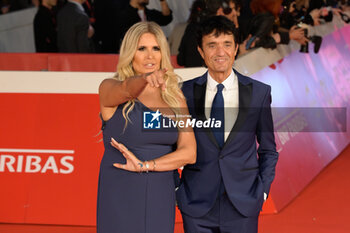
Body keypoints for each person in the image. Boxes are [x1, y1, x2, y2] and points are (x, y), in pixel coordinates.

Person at [176, 16, 279, 233]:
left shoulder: (259, 93)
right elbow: (168, 144)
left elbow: (269, 148)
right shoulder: (183, 93)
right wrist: (177, 188)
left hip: (243, 204)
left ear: (235, 50)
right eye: (212, 45)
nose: (220, 52)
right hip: (196, 203)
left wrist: (262, 190)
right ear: (201, 52)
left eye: (227, 44)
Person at [97, 21, 196, 233]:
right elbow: (126, 89)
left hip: (161, 189)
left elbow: (189, 152)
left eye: (156, 48)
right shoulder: (109, 88)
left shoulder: (175, 96)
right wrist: (144, 79)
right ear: (130, 53)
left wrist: (145, 165)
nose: (150, 56)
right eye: (142, 49)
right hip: (121, 190)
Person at [177, 0, 240, 67]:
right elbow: (233, 56)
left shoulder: (192, 27)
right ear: (220, 11)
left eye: (227, 45)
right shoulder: (219, 30)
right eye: (228, 11)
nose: (233, 14)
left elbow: (180, 60)